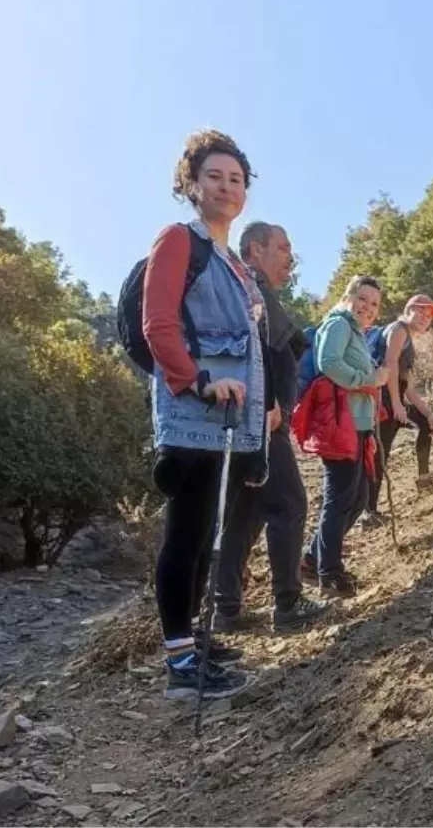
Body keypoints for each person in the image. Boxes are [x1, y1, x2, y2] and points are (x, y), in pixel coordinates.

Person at [142, 129, 273, 701]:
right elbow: (158, 325)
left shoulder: (233, 262)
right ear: (191, 184)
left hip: (228, 415)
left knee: (201, 534)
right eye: (214, 176)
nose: (225, 186)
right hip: (192, 408)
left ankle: (193, 644)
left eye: (235, 179)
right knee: (185, 534)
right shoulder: (178, 241)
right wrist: (196, 380)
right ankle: (178, 664)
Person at [213, 222, 328, 634]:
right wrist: (273, 404)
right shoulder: (249, 289)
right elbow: (258, 351)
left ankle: (225, 609)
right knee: (289, 504)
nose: (289, 257)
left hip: (244, 419)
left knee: (245, 514)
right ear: (255, 250)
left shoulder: (244, 289)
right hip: (262, 420)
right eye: (283, 247)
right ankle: (289, 603)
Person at [301, 276, 388, 594]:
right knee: (339, 500)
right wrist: (367, 379)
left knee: (358, 498)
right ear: (348, 296)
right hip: (341, 425)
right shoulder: (338, 324)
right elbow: (328, 363)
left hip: (357, 424)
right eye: (362, 298)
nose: (368, 307)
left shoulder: (356, 331)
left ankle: (313, 558)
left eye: (374, 303)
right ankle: (330, 574)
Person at [371, 293, 433, 516]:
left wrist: (428, 413)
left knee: (427, 425)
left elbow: (408, 386)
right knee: (380, 454)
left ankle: (424, 478)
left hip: (394, 399)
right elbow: (389, 364)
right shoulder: (399, 329)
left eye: (429, 314)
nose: (425, 317)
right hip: (381, 401)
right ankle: (369, 511)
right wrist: (394, 404)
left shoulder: (408, 338)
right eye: (420, 310)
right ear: (408, 310)